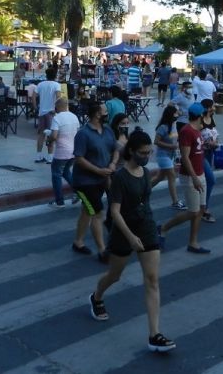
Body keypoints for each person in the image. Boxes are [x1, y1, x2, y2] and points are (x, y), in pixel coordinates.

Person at [88, 129, 176, 352]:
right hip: (123, 231)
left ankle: (154, 335)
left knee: (152, 279)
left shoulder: (145, 172)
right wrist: (130, 237)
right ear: (132, 151)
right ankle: (96, 297)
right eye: (143, 153)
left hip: (146, 226)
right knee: (115, 275)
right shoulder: (119, 177)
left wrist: (162, 176)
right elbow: (115, 212)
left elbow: (143, 194)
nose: (146, 156)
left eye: (149, 152)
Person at [157, 103, 211, 254]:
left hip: (200, 173)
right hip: (190, 176)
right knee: (193, 212)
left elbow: (196, 150)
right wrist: (194, 178)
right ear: (200, 115)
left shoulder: (197, 130)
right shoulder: (187, 131)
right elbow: (185, 157)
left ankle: (193, 242)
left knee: (201, 209)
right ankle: (163, 228)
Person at [72, 101, 119, 263]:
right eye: (105, 111)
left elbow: (115, 149)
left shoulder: (108, 130)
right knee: (97, 213)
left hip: (102, 179)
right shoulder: (83, 134)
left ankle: (78, 242)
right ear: (98, 114)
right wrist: (98, 170)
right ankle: (102, 250)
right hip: (84, 182)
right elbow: (79, 158)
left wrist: (113, 164)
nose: (107, 113)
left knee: (87, 210)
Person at [47, 98, 80, 209]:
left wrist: (49, 140)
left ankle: (59, 201)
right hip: (73, 151)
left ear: (57, 106)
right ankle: (78, 192)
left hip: (61, 152)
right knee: (66, 172)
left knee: (56, 175)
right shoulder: (74, 117)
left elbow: (54, 136)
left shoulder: (57, 118)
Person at [150, 105, 183, 209]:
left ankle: (142, 191)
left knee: (159, 177)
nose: (177, 115)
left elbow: (174, 140)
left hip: (170, 155)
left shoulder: (173, 126)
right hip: (162, 155)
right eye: (175, 113)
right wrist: (171, 146)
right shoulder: (163, 127)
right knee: (172, 176)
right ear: (171, 114)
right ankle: (175, 201)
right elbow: (156, 141)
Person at [35, 68, 62, 163]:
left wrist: (35, 107)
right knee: (51, 134)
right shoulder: (56, 85)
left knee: (41, 134)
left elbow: (33, 96)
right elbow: (58, 97)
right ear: (55, 75)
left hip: (41, 112)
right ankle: (50, 157)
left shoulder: (40, 84)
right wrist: (56, 109)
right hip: (51, 113)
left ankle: (38, 156)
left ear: (46, 75)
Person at [199, 98, 218, 223]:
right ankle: (203, 208)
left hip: (210, 153)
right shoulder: (199, 120)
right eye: (212, 106)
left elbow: (215, 133)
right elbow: (196, 138)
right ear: (207, 108)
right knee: (211, 180)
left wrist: (215, 143)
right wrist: (207, 143)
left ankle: (200, 205)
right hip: (201, 154)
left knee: (205, 180)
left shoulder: (211, 119)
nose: (214, 108)